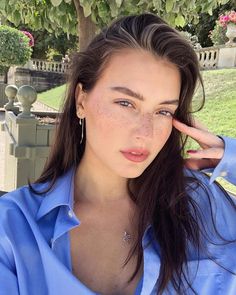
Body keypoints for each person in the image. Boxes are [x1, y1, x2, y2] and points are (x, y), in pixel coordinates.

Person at [0, 13, 235, 295]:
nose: (145, 133)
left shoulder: (202, 204)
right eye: (126, 103)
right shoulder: (12, 227)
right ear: (81, 100)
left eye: (163, 111)